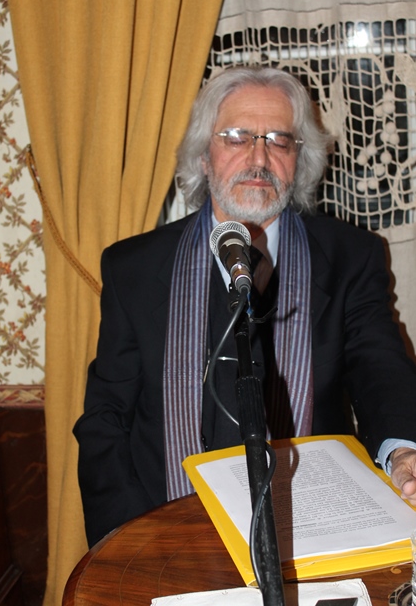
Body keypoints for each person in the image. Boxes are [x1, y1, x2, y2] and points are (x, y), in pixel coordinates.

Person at [74, 66, 416, 548]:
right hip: (168, 531)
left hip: (313, 527)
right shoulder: (134, 267)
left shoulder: (350, 257)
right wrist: (131, 541)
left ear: (299, 159)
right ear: (203, 156)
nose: (259, 158)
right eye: (236, 137)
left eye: (279, 140)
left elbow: (379, 367)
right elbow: (106, 419)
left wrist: (403, 451)